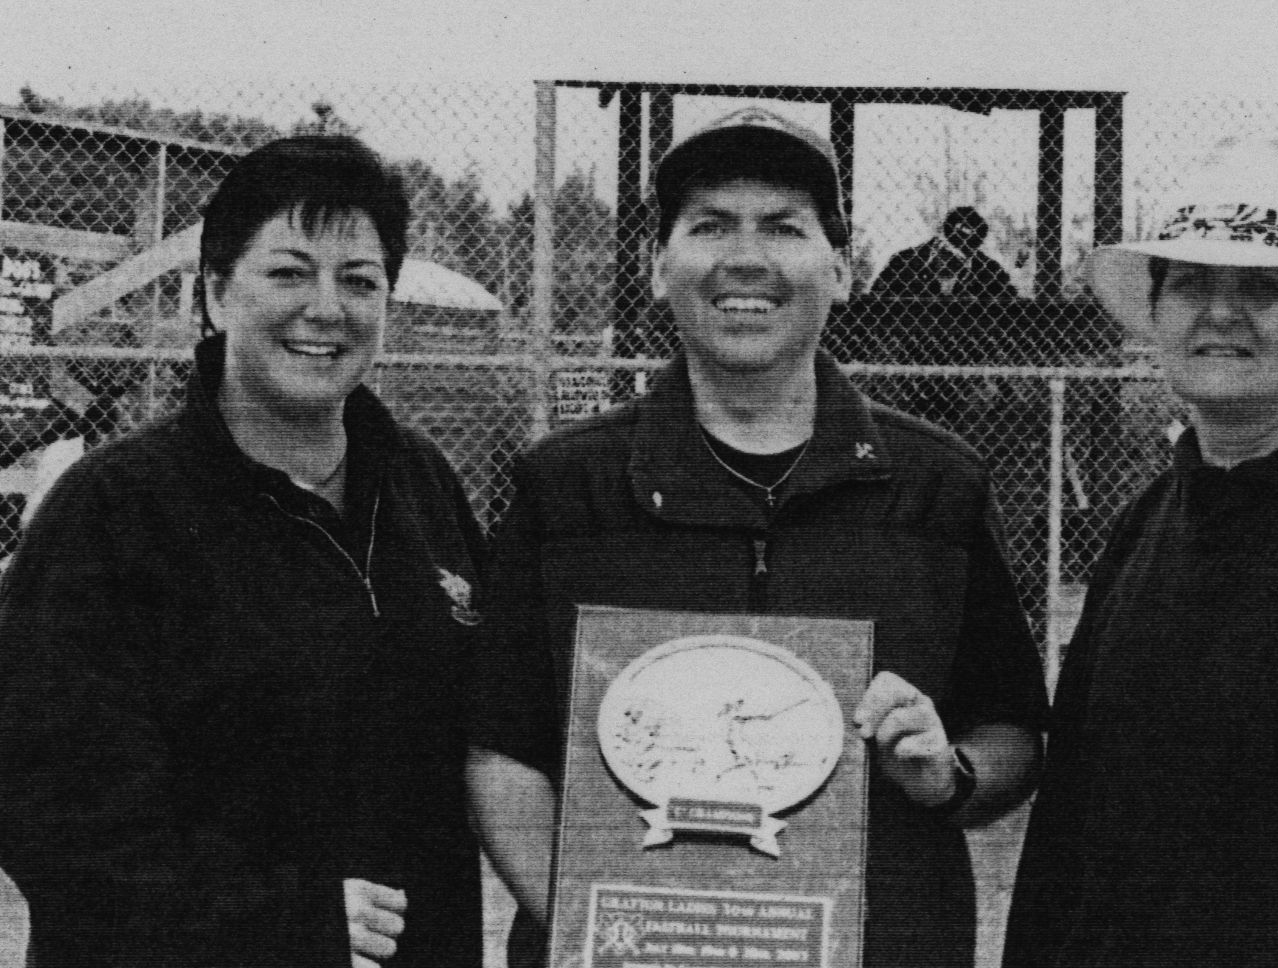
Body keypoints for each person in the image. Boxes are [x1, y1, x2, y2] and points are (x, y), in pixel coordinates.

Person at [465, 106, 1047, 968]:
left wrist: (947, 772)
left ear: (842, 269)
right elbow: (499, 749)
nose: (744, 257)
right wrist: (600, 928)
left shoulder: (937, 486)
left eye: (782, 226)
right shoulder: (563, 487)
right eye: (708, 226)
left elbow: (1014, 732)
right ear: (658, 268)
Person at [0, 135, 486, 968]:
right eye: (289, 273)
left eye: (359, 281)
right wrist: (282, 925)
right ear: (217, 295)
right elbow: (48, 810)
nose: (326, 308)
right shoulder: (113, 510)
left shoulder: (419, 483)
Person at [1003, 137, 1278, 968]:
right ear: (1158, 313)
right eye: (1190, 284)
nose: (1218, 312)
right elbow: (1069, 823)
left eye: (1262, 288)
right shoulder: (1146, 522)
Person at [872, 205, 1016, 300]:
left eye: (962, 257)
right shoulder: (903, 263)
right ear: (939, 239)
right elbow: (874, 302)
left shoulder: (990, 271)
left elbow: (1012, 306)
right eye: (948, 250)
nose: (952, 259)